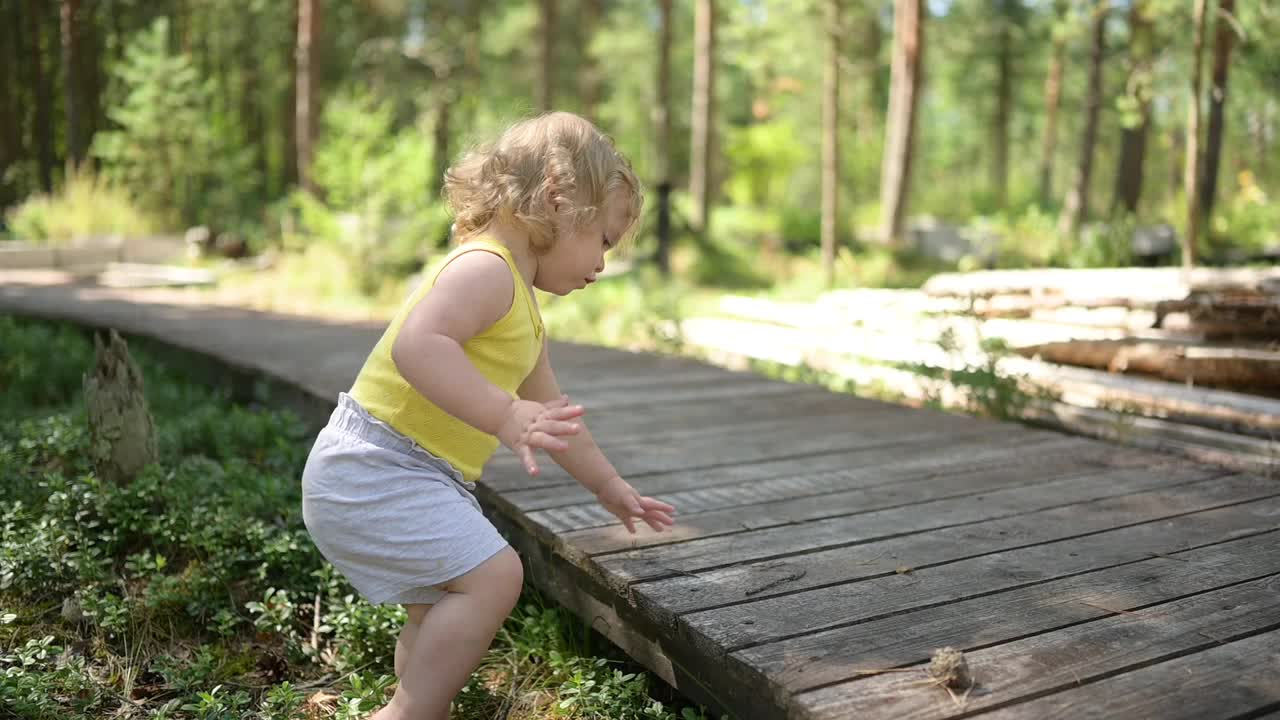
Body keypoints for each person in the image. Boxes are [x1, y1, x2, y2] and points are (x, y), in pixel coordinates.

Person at [300, 111, 677, 720]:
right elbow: (417, 346)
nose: (604, 264)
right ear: (559, 201)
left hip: (408, 471)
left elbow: (555, 415)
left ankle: (424, 703)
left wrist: (608, 485)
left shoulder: (522, 308)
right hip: (376, 465)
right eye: (603, 240)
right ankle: (407, 713)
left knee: (444, 598)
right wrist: (504, 414)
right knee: (496, 576)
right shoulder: (486, 267)